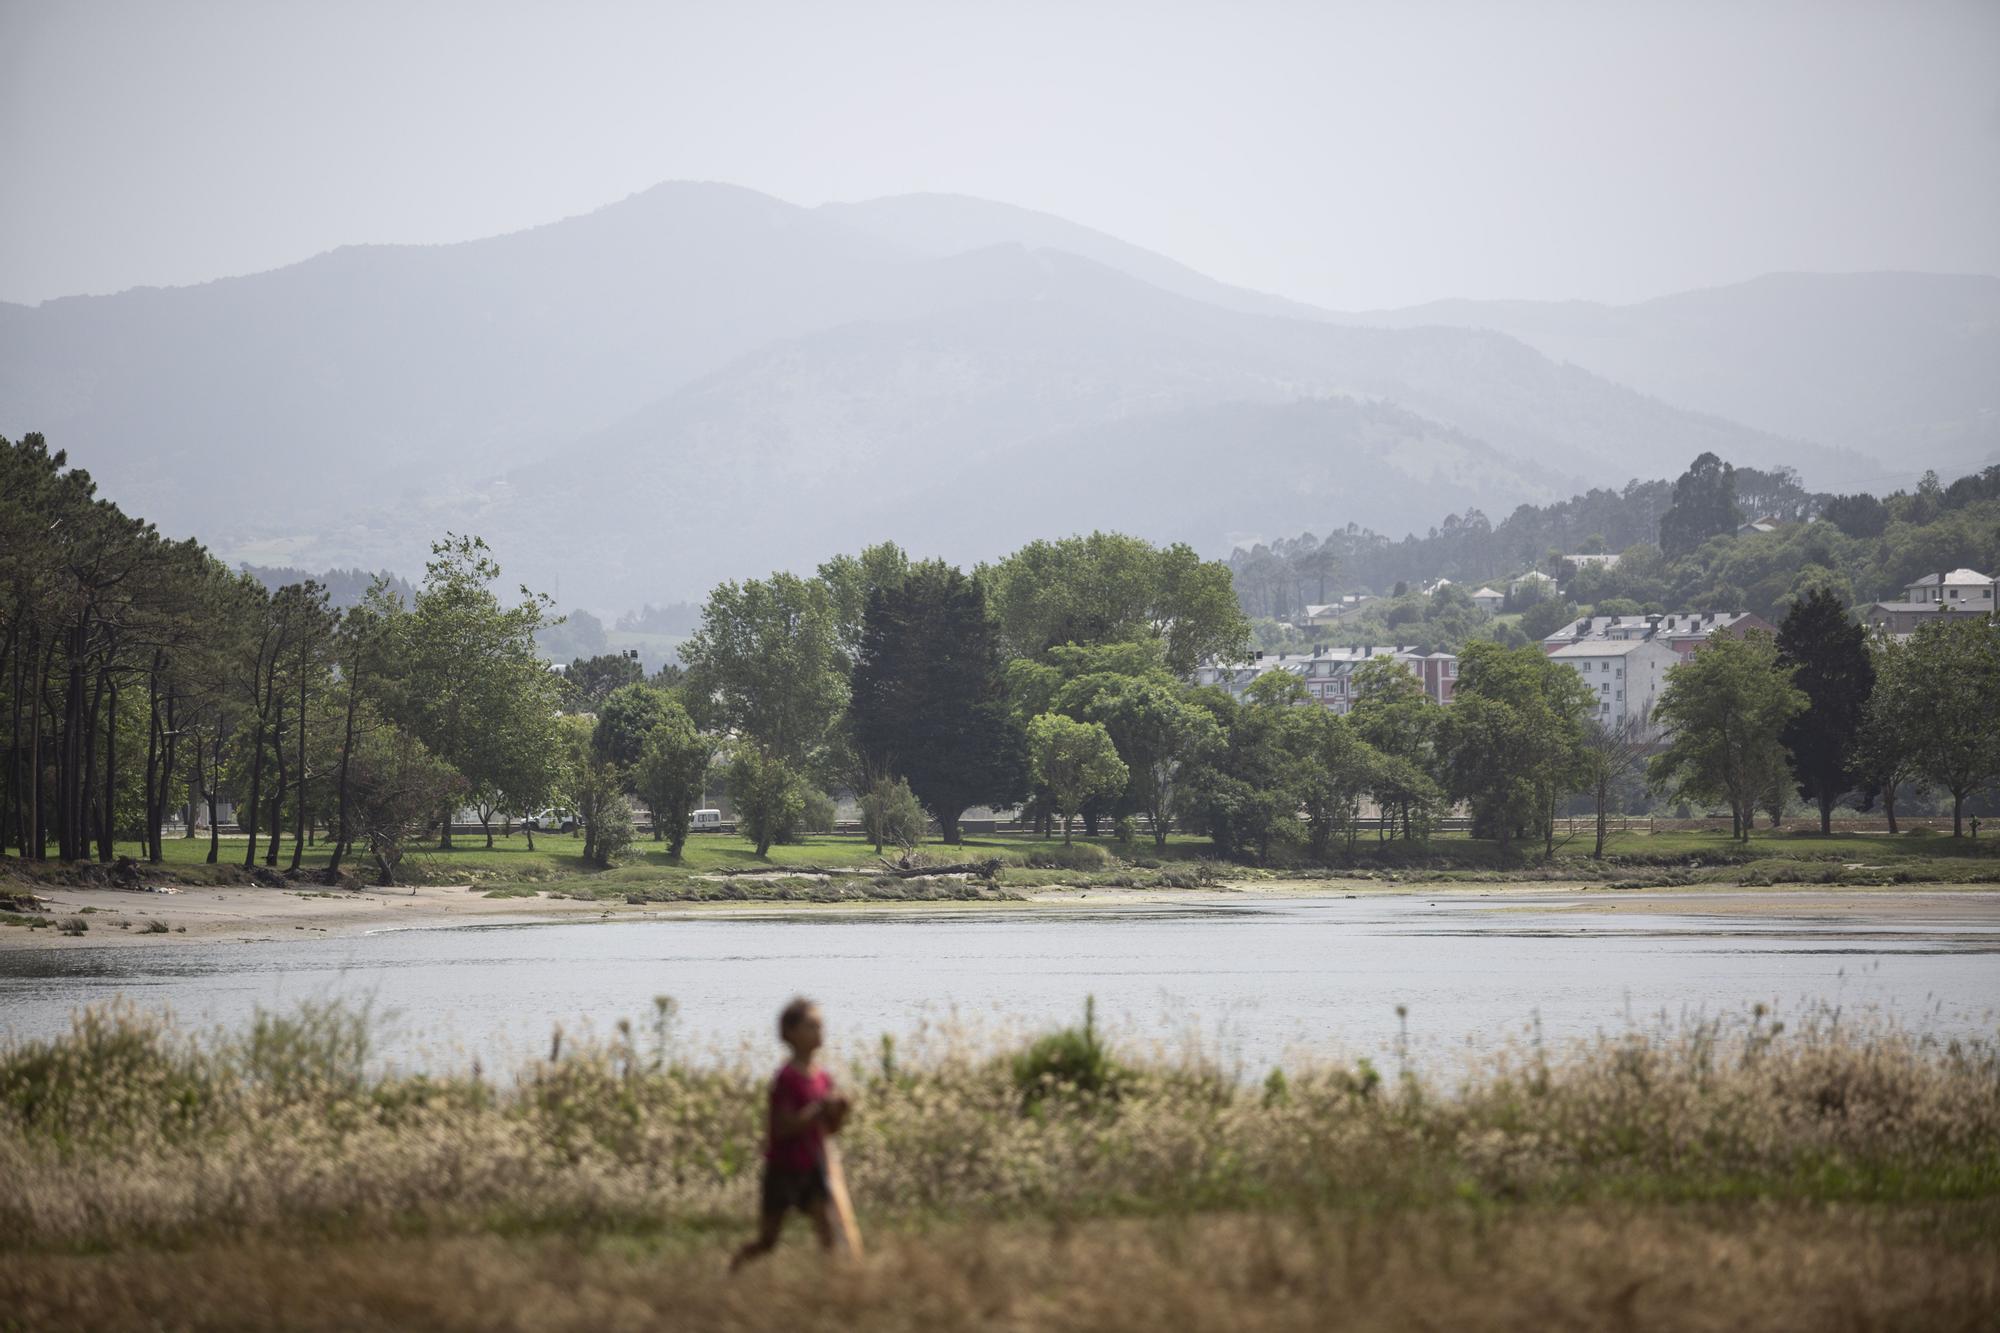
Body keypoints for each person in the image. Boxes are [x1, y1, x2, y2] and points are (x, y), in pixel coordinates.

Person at [730, 997, 850, 1271]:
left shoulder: (823, 1078)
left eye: (819, 1026)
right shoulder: (786, 1078)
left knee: (829, 1236)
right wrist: (820, 1108)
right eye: (811, 1026)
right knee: (768, 1241)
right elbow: (783, 1128)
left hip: (812, 1167)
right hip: (784, 1169)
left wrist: (839, 1111)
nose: (819, 1032)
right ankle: (732, 1272)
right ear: (790, 1034)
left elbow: (830, 1130)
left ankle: (836, 1290)